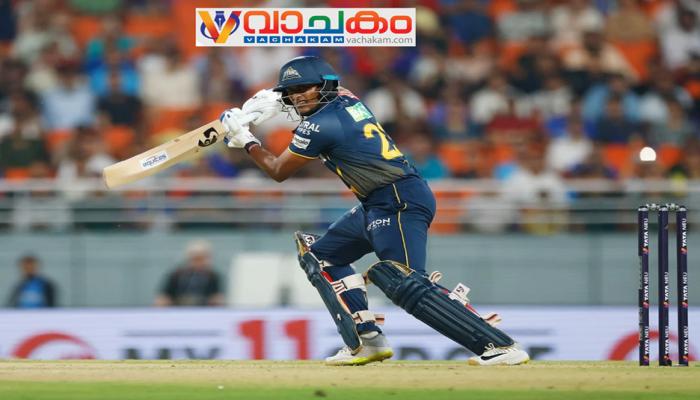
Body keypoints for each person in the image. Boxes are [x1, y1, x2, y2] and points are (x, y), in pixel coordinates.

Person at [219, 56, 529, 366]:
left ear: (325, 86)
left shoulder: (319, 125)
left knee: (404, 281)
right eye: (290, 92)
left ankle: (498, 345)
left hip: (398, 201)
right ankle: (367, 340)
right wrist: (274, 99)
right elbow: (334, 93)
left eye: (304, 88)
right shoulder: (349, 99)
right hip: (379, 201)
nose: (297, 97)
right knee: (321, 256)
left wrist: (246, 139)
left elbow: (277, 170)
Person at [155, 239, 223, 307]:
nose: (199, 262)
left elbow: (216, 296)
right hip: (178, 307)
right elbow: (165, 295)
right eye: (196, 258)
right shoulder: (177, 274)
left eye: (202, 258)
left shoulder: (212, 276)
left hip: (203, 308)